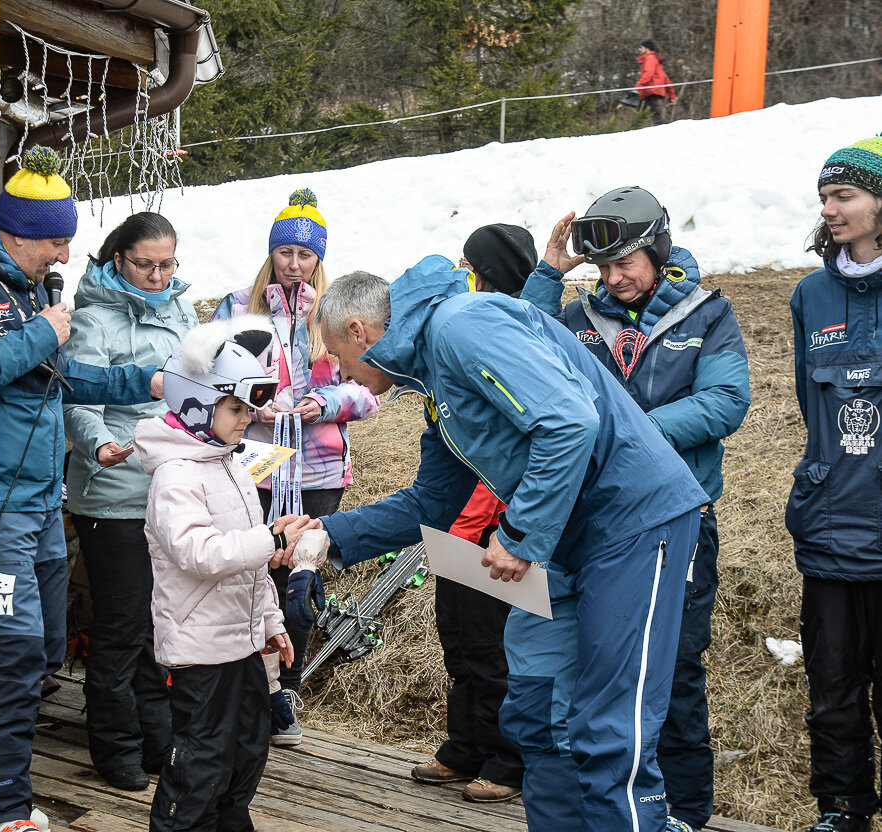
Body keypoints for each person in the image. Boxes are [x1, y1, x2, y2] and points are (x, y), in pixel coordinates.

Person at [303, 261, 708, 832]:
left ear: (357, 331)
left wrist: (518, 537)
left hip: (631, 523)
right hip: (564, 541)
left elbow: (568, 422)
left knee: (608, 725)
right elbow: (434, 502)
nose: (339, 371)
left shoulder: (463, 325)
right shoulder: (431, 377)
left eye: (335, 356)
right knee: (538, 717)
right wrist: (329, 533)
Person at [521, 186, 751, 832]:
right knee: (598, 676)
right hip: (591, 531)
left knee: (672, 668)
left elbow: (726, 402)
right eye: (604, 268)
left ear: (659, 250)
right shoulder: (575, 318)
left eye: (627, 264)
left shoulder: (709, 314)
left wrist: (628, 430)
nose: (615, 279)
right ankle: (618, 808)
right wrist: (548, 275)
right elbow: (522, 349)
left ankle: (686, 811)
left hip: (676, 524)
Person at [0, 146, 166, 832]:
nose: (63, 256)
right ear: (19, 233)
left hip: (39, 503)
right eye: (57, 242)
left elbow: (62, 378)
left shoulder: (35, 293)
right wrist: (41, 332)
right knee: (14, 654)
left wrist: (141, 382)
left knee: (46, 649)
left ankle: (4, 787)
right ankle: (0, 807)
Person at [211, 188, 380, 744]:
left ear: (320, 260)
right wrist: (253, 401)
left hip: (319, 469)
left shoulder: (338, 314)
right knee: (251, 569)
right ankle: (247, 685)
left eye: (305, 255)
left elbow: (373, 390)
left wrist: (326, 403)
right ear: (271, 254)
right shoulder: (238, 307)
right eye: (285, 253)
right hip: (254, 463)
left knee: (298, 574)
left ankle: (287, 688)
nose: (294, 264)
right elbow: (208, 371)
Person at [132, 317, 315, 832]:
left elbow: (251, 567)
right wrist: (274, 539)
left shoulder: (229, 461)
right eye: (235, 408)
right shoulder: (176, 475)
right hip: (200, 648)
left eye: (248, 407)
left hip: (241, 641)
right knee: (200, 764)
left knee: (247, 752)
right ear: (195, 403)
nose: (247, 418)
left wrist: (272, 621)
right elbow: (204, 555)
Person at [62, 211, 196, 791]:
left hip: (170, 487)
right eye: (146, 264)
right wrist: (102, 444)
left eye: (167, 264)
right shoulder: (92, 318)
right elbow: (76, 397)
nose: (158, 275)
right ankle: (114, 746)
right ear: (118, 259)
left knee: (157, 622)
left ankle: (155, 740)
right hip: (113, 492)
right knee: (119, 626)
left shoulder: (181, 310)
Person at [410, 224, 536, 804]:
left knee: (494, 650)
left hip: (501, 525)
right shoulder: (459, 335)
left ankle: (507, 760)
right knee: (458, 642)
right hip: (461, 521)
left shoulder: (505, 336)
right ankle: (463, 746)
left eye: (470, 263)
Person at [786, 136, 882, 832]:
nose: (831, 208)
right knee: (833, 687)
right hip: (829, 525)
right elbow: (809, 406)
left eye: (845, 195)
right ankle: (842, 809)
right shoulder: (810, 294)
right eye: (826, 198)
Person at [636, 39, 677, 125]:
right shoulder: (654, 59)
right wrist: (672, 94)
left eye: (640, 47)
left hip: (650, 91)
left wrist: (637, 87)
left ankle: (668, 128)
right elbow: (665, 78)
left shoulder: (650, 58)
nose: (638, 49)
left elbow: (648, 74)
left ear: (647, 48)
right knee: (640, 112)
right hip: (648, 91)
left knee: (656, 116)